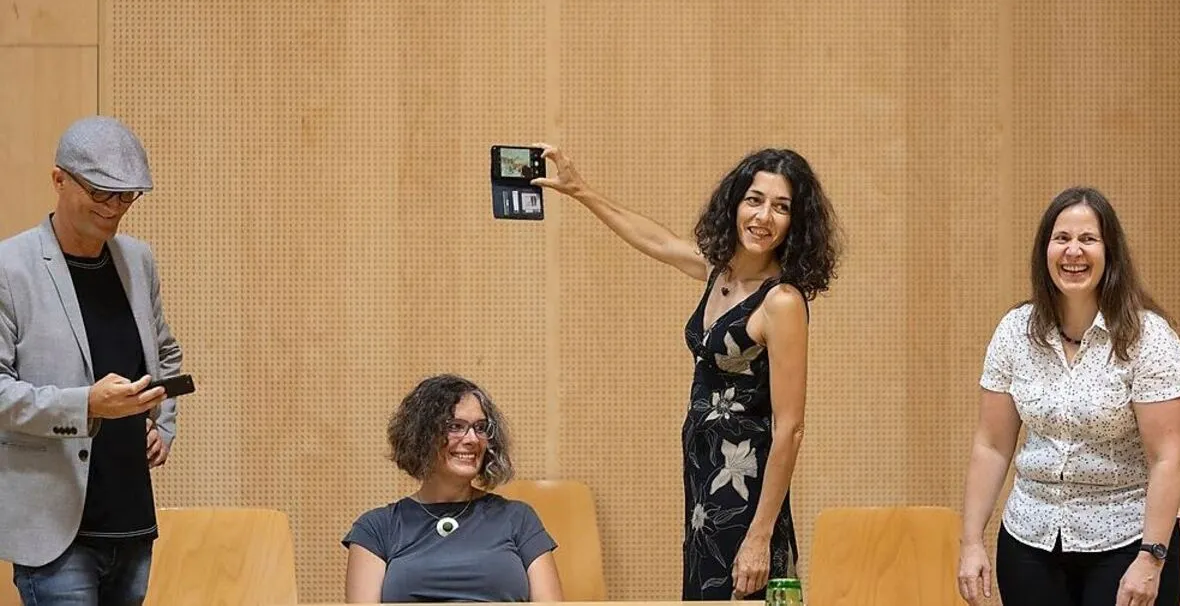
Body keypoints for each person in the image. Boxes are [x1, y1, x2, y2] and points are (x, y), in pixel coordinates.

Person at [534, 145, 841, 600]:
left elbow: (790, 428)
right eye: (754, 200)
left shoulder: (782, 302)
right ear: (735, 203)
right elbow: (657, 241)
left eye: (781, 207)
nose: (763, 217)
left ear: (796, 222)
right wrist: (581, 191)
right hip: (703, 481)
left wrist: (760, 536)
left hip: (744, 488)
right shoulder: (720, 274)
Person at [958, 187, 1180, 606]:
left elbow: (1167, 458)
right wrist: (971, 541)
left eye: (1088, 239)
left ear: (1110, 252)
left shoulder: (1149, 337)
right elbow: (991, 446)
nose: (1073, 251)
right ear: (1044, 251)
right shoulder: (1015, 331)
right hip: (1030, 540)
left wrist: (1151, 557)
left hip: (1126, 542)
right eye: (1061, 238)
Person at [0, 115, 182, 605]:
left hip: (131, 519)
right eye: (101, 192)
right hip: (54, 531)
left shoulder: (137, 260)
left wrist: (163, 424)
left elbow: (164, 353)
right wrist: (86, 405)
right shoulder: (9, 268)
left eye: (125, 196)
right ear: (59, 179)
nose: (113, 208)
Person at [343, 373, 563, 603]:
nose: (472, 439)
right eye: (456, 426)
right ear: (421, 436)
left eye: (480, 427)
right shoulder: (376, 528)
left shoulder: (518, 519)